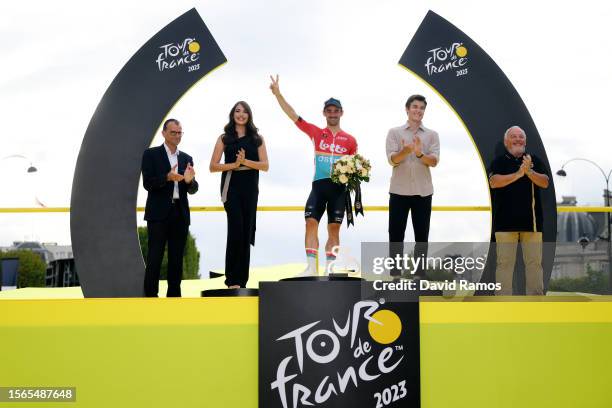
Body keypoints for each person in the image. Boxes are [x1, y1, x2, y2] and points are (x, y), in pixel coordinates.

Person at [270, 75, 358, 275]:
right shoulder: (317, 133)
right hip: (319, 186)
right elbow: (294, 116)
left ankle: (330, 268)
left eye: (336, 111)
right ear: (324, 113)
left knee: (334, 229)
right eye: (329, 111)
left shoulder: (350, 140)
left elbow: (355, 168)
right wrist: (278, 94)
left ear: (341, 113)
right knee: (310, 222)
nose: (333, 114)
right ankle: (311, 267)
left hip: (338, 190)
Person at [210, 101, 269, 288]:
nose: (241, 114)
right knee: (236, 229)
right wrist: (234, 165)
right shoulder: (224, 138)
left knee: (246, 232)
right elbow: (213, 166)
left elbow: (265, 165)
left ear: (249, 115)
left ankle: (241, 281)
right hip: (231, 187)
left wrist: (245, 162)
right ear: (232, 114)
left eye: (244, 112)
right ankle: (232, 280)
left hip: (250, 188)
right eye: (237, 111)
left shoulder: (257, 138)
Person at [489, 125, 549, 295]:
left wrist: (528, 171)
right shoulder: (499, 161)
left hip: (533, 223)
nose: (518, 139)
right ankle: (503, 302)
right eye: (514, 136)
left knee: (534, 264)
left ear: (525, 140)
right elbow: (494, 182)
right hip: (505, 224)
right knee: (505, 264)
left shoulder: (534, 160)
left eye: (521, 136)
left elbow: (545, 182)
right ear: (506, 141)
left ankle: (536, 303)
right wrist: (518, 174)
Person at [141, 118, 198, 297]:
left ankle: (174, 298)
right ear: (164, 133)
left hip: (179, 214)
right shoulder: (151, 154)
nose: (177, 136)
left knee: (176, 259)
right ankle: (150, 296)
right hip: (158, 213)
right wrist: (167, 177)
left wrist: (189, 181)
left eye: (180, 132)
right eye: (173, 132)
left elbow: (193, 188)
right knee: (154, 258)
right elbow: (148, 184)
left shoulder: (186, 158)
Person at [385, 94, 439, 277]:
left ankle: (419, 277)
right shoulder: (394, 132)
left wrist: (418, 153)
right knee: (395, 236)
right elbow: (392, 160)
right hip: (399, 191)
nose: (418, 110)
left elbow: (434, 162)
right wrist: (406, 150)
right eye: (415, 107)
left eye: (422, 107)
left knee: (422, 238)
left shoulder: (432, 135)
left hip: (423, 193)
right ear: (407, 109)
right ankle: (395, 277)